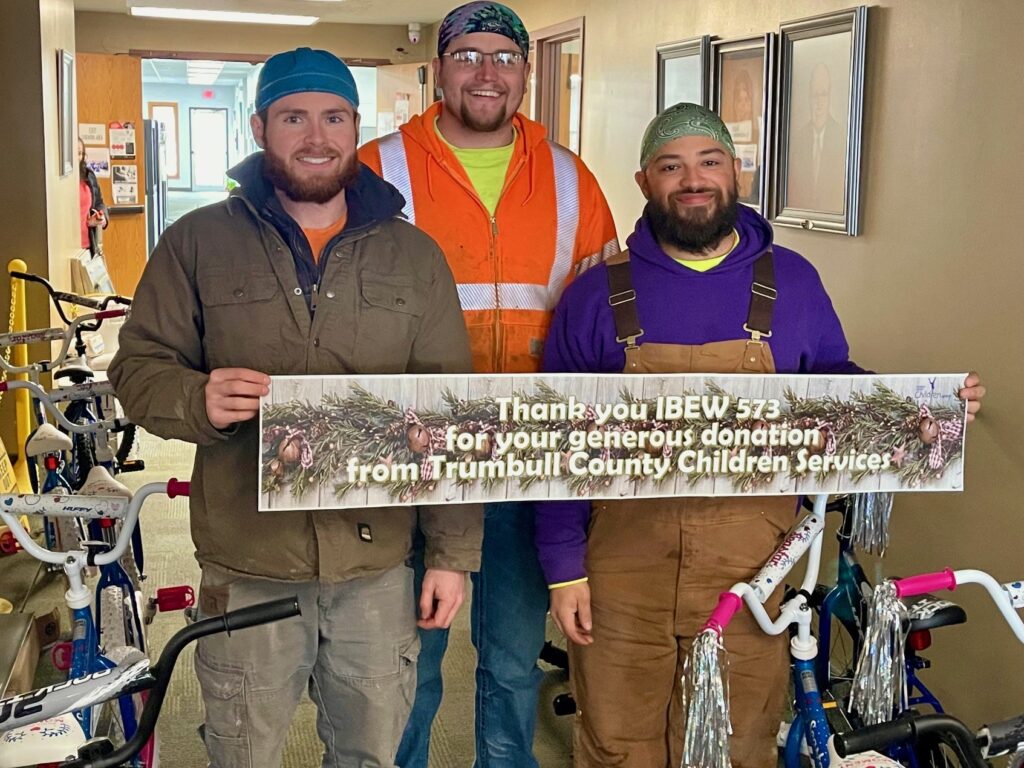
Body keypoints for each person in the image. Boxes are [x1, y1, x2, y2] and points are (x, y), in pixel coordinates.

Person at [535, 103, 985, 768]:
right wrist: (563, 570)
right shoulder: (595, 294)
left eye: (709, 162)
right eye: (672, 166)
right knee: (616, 746)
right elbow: (552, 442)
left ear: (736, 172)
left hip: (750, 574)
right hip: (621, 572)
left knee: (737, 746)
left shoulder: (792, 282)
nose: (693, 179)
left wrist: (918, 408)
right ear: (643, 181)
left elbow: (835, 386)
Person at [108, 47, 483, 768]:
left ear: (355, 124)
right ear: (259, 127)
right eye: (294, 117)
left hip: (374, 566)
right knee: (244, 752)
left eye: (335, 117)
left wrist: (451, 556)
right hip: (248, 562)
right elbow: (137, 367)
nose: (317, 136)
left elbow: (448, 419)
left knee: (369, 753)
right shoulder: (196, 244)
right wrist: (198, 397)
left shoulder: (414, 256)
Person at [359, 3, 618, 766]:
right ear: (437, 68)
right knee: (408, 663)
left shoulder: (572, 177)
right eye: (468, 55)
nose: (486, 72)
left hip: (524, 459)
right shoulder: (377, 170)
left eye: (504, 57)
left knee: (509, 663)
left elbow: (601, 311)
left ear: (526, 73)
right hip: (411, 455)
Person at [788, 62, 847, 212]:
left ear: (830, 97)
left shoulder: (842, 138)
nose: (819, 102)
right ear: (809, 97)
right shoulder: (798, 139)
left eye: (823, 94)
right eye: (815, 95)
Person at [78, 137, 107, 254]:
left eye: (80, 153)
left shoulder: (88, 176)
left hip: (88, 245)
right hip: (65, 246)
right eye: (73, 153)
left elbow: (99, 203)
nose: (77, 158)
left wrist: (101, 217)